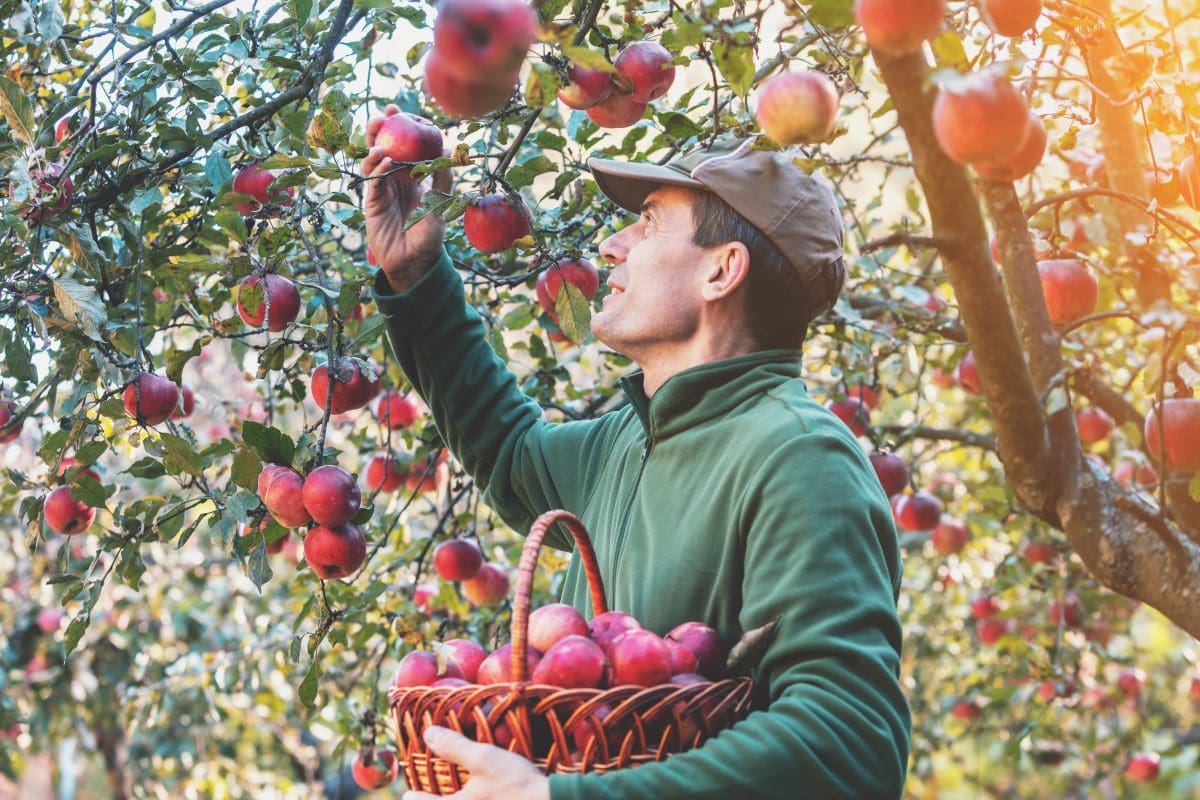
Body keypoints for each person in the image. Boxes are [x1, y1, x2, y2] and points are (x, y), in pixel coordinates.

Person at [361, 105, 911, 800]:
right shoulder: (627, 441)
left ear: (722, 271)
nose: (615, 245)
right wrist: (417, 279)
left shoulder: (800, 459)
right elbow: (508, 448)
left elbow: (848, 739)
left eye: (648, 221)